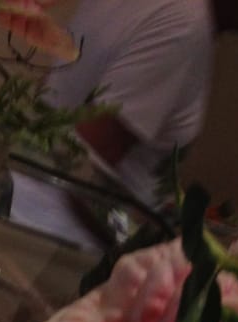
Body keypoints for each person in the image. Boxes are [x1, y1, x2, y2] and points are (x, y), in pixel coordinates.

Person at [44, 0, 216, 210]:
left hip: (31, 198)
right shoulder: (184, 22)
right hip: (59, 219)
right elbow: (86, 163)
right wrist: (145, 224)